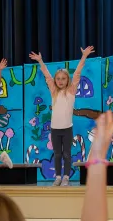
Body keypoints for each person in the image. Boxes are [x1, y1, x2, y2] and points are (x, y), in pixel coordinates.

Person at [30, 46, 95, 187]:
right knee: (57, 154)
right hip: (55, 129)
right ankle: (58, 177)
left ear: (67, 80)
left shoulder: (71, 91)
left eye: (63, 79)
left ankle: (66, 177)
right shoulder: (54, 91)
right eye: (58, 79)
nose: (60, 81)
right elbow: (47, 76)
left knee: (66, 154)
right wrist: (40, 61)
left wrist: (84, 56)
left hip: (67, 129)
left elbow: (77, 74)